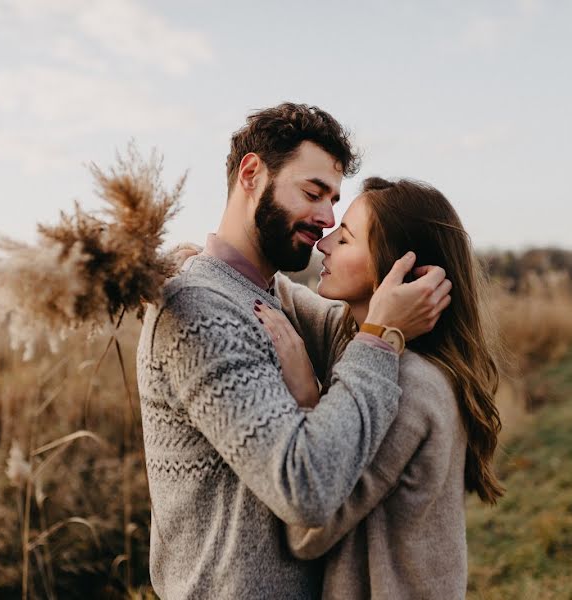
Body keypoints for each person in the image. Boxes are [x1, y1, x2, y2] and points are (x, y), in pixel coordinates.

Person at [135, 103, 451, 599]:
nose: (326, 219)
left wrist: (402, 291)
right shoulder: (199, 310)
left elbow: (344, 326)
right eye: (313, 193)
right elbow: (304, 488)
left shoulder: (265, 292)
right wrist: (381, 336)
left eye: (334, 200)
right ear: (252, 173)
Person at [255, 177, 505, 599]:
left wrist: (307, 399)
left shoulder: (410, 387)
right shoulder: (358, 338)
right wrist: (215, 262)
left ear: (398, 273)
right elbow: (290, 297)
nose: (324, 244)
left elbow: (308, 530)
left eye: (347, 239)